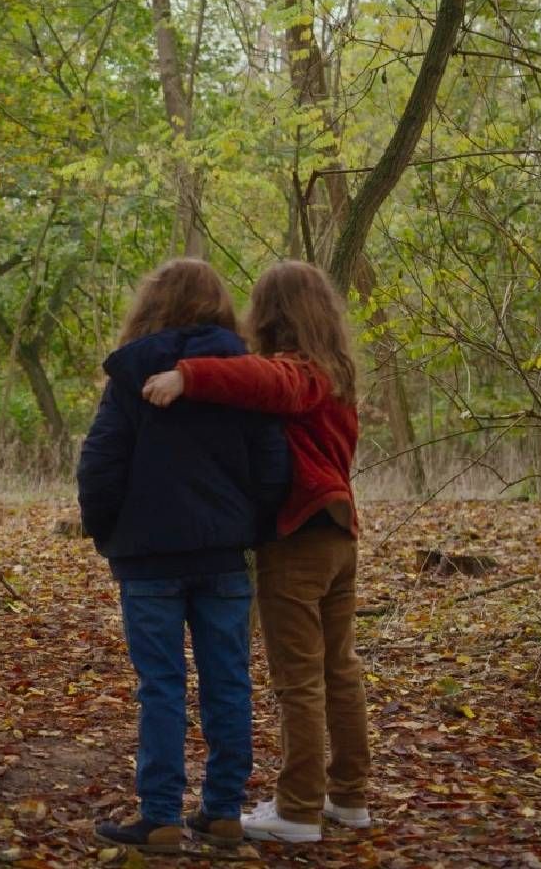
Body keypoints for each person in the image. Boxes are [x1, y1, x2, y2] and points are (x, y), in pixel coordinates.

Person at [142, 259, 371, 844]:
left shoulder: (301, 372)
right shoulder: (336, 370)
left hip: (300, 539)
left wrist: (188, 376)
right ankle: (347, 797)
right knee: (337, 671)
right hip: (337, 535)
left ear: (271, 314)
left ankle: (297, 810)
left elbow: (267, 382)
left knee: (300, 678)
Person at [78, 258, 289, 853]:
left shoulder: (131, 378)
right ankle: (222, 811)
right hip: (223, 555)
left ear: (151, 306)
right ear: (220, 308)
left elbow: (100, 464)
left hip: (148, 559)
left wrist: (108, 533)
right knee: (228, 680)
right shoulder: (245, 377)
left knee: (162, 686)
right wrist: (253, 527)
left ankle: (162, 815)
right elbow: (273, 464)